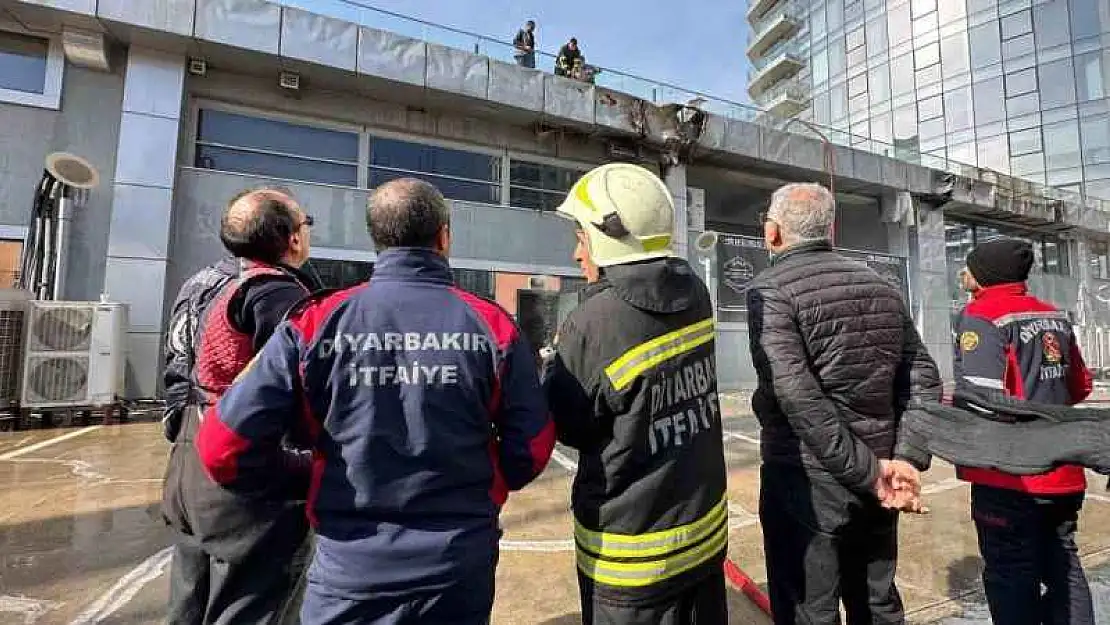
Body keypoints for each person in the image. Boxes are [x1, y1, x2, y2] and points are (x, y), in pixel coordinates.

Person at [195, 177, 555, 625]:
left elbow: (221, 448)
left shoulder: (315, 324)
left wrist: (305, 473)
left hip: (348, 575)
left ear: (377, 239)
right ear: (444, 236)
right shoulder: (491, 327)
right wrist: (483, 480)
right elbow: (534, 446)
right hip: (457, 567)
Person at [542, 163, 729, 625]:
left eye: (582, 238)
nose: (575, 254)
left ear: (609, 237)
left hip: (631, 559)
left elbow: (567, 426)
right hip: (704, 536)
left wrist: (554, 368)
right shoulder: (696, 293)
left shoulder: (593, 323)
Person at [745, 182, 941, 625]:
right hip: (879, 471)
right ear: (829, 229)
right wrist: (901, 460)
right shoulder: (882, 284)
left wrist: (875, 473)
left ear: (772, 233)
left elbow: (795, 394)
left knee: (809, 609)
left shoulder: (770, 289)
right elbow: (924, 377)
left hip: (806, 479)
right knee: (876, 602)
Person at [161, 187, 318, 624]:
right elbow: (301, 392)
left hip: (188, 463)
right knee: (254, 606)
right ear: (292, 239)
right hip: (244, 479)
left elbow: (175, 374)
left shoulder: (201, 281)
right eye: (307, 224)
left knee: (188, 604)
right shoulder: (275, 293)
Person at [952, 237, 1094, 625]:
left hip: (1010, 477)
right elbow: (1080, 386)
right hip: (1063, 470)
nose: (962, 273)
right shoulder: (1054, 315)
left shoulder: (981, 315)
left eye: (968, 266)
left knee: (1010, 574)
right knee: (1064, 567)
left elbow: (984, 400)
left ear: (984, 275)